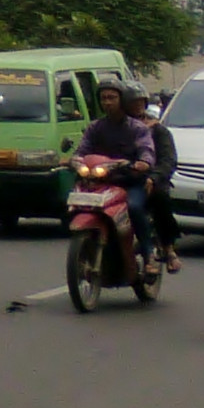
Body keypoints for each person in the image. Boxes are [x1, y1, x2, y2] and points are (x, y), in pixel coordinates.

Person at [75, 78, 156, 272]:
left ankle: (148, 257)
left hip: (130, 182)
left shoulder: (137, 128)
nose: (107, 102)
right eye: (103, 98)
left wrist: (143, 163)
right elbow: (82, 150)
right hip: (101, 182)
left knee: (135, 208)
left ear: (122, 100)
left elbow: (146, 150)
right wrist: (75, 161)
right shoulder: (95, 127)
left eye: (112, 98)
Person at [126, 83, 182, 274]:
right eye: (133, 102)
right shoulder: (113, 127)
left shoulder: (158, 130)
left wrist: (154, 177)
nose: (137, 106)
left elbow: (168, 160)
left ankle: (167, 248)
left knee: (159, 198)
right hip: (123, 179)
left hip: (150, 179)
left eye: (140, 101)